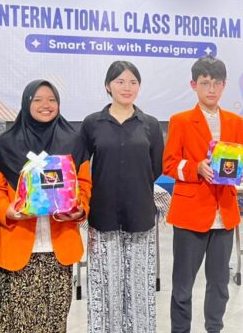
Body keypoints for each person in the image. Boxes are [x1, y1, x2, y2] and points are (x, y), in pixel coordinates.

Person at [0, 80, 91, 332]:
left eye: (52, 100)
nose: (46, 105)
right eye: (38, 100)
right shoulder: (5, 144)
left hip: (59, 251)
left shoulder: (74, 142)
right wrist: (7, 211)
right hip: (17, 248)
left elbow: (85, 185)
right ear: (26, 103)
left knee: (54, 323)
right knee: (16, 324)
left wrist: (79, 209)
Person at [163, 56, 243, 333]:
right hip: (190, 213)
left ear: (224, 85)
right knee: (183, 285)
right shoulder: (180, 121)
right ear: (193, 85)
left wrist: (239, 172)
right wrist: (196, 168)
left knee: (220, 283)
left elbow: (240, 162)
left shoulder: (235, 121)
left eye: (216, 83)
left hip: (225, 212)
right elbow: (169, 164)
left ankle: (214, 328)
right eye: (205, 83)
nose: (211, 89)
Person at [81, 61, 164, 333]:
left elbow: (155, 168)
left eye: (133, 82)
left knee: (139, 289)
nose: (126, 87)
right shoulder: (92, 123)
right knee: (106, 288)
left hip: (140, 216)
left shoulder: (150, 125)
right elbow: (81, 165)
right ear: (108, 86)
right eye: (120, 81)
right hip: (102, 217)